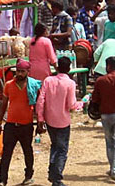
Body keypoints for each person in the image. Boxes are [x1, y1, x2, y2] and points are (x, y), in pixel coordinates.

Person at [36, 56, 79, 186]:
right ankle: (57, 178)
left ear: (58, 67)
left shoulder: (48, 80)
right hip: (63, 121)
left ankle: (52, 172)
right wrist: (80, 104)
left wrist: (40, 119)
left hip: (49, 120)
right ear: (69, 68)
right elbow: (71, 105)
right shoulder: (70, 83)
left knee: (55, 146)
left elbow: (41, 100)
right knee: (62, 150)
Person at [0, 59, 35, 186]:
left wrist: (41, 121)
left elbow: (39, 104)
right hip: (11, 125)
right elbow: (4, 104)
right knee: (6, 153)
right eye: (18, 71)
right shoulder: (8, 85)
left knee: (27, 151)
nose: (19, 74)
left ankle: (28, 176)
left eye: (22, 71)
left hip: (26, 125)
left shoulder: (32, 85)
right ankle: (2, 180)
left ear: (28, 72)